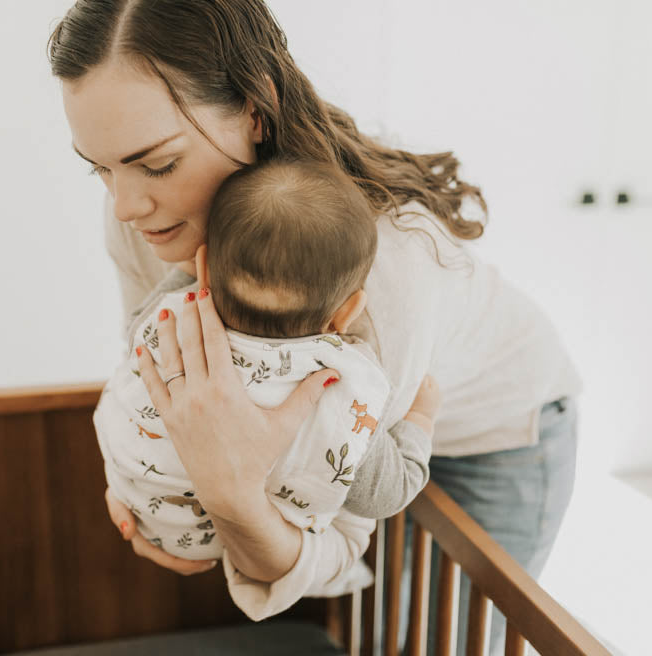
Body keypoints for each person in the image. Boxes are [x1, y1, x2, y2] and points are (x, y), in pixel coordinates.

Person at [49, 0, 581, 652]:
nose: (126, 205)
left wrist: (233, 504)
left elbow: (338, 538)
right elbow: (162, 383)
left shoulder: (378, 276)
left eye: (156, 163)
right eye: (99, 168)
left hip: (497, 432)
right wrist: (158, 490)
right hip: (375, 431)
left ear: (255, 110)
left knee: (417, 642)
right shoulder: (143, 222)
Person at [92, 160, 438, 619]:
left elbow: (137, 331)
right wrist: (421, 420)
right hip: (234, 541)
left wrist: (194, 279)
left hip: (142, 506)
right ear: (348, 311)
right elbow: (387, 493)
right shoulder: (335, 388)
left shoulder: (171, 316)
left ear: (204, 270)